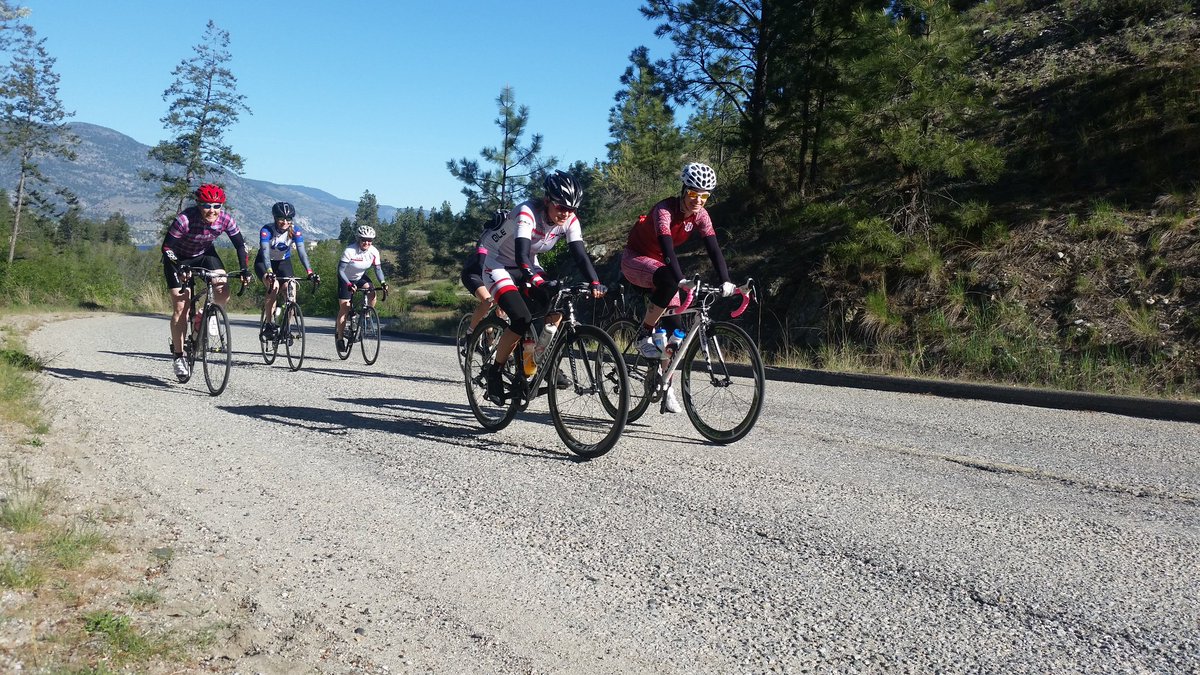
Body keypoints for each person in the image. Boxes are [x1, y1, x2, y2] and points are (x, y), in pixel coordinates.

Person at [480, 170, 605, 403]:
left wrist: (595, 282)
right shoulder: (527, 212)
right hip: (499, 264)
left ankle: (539, 361)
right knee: (521, 319)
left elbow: (579, 254)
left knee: (556, 306)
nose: (566, 213)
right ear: (547, 200)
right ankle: (494, 372)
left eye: (571, 209)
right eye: (561, 207)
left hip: (529, 263)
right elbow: (521, 255)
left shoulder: (569, 220)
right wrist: (539, 283)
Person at [620, 162, 736, 413]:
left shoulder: (701, 215)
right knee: (670, 280)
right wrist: (681, 279)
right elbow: (667, 246)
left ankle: (666, 387)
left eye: (705, 196)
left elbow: (713, 248)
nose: (698, 200)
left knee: (675, 331)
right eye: (693, 194)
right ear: (684, 190)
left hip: (660, 264)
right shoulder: (664, 210)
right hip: (635, 259)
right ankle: (643, 333)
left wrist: (725, 280)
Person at [162, 184, 251, 382]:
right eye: (206, 205)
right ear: (198, 204)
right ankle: (179, 356)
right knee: (181, 307)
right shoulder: (185, 219)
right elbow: (167, 247)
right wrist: (179, 267)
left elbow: (240, 245)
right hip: (178, 258)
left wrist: (244, 269)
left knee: (222, 286)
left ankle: (205, 315)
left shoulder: (226, 219)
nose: (212, 210)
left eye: (216, 206)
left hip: (204, 255)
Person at [256, 201, 316, 339]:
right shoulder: (267, 230)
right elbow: (265, 253)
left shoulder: (295, 231)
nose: (284, 222)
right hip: (264, 262)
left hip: (283, 263)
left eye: (288, 219)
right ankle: (269, 324)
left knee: (291, 292)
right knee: (274, 286)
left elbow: (302, 253)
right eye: (281, 218)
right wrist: (269, 271)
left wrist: (310, 272)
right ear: (275, 218)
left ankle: (286, 328)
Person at [336, 225, 387, 352]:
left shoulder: (374, 252)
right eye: (364, 240)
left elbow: (378, 269)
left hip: (360, 277)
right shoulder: (350, 251)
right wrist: (348, 284)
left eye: (370, 240)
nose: (367, 243)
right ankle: (340, 338)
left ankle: (366, 315)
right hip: (346, 279)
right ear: (358, 239)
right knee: (345, 308)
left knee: (372, 292)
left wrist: (383, 282)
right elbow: (340, 271)